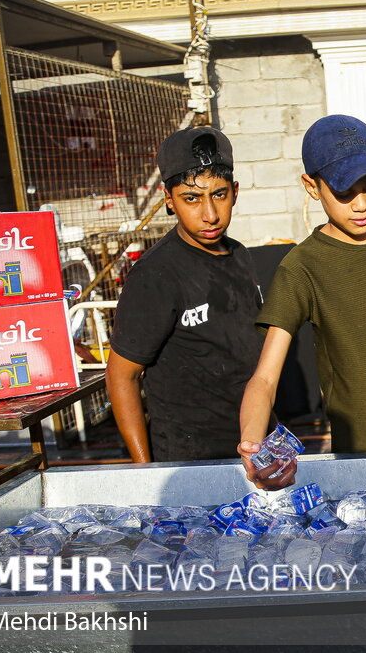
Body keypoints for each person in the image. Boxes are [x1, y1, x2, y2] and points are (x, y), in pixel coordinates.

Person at [238, 115, 366, 487]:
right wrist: (253, 445)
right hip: (363, 456)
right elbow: (265, 377)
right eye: (344, 191)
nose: (361, 204)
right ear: (311, 186)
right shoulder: (302, 266)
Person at [106, 127, 263, 463]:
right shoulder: (155, 274)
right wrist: (146, 472)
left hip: (253, 449)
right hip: (190, 460)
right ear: (169, 199)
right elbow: (123, 376)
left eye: (219, 195)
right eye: (191, 198)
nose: (209, 214)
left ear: (234, 192)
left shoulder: (241, 256)